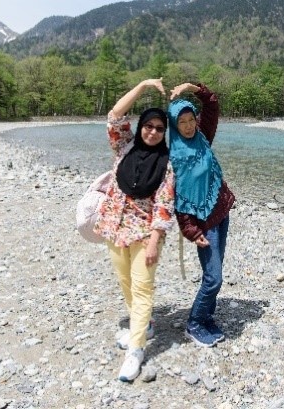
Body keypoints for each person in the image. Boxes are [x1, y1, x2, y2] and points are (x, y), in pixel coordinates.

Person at [92, 78, 175, 382]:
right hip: (114, 228)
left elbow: (164, 205)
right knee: (125, 282)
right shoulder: (124, 147)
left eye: (159, 128)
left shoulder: (166, 164)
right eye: (148, 126)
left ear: (165, 133)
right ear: (141, 127)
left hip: (145, 234)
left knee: (142, 288)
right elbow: (115, 115)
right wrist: (143, 86)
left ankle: (136, 350)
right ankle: (146, 324)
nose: (153, 132)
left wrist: (154, 242)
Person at [167, 82, 236, 347]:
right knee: (213, 277)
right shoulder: (174, 158)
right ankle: (194, 323)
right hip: (202, 223)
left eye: (190, 119)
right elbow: (179, 200)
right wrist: (192, 231)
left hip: (221, 211)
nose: (188, 126)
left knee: (215, 271)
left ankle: (207, 317)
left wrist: (191, 87)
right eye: (181, 122)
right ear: (174, 125)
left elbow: (212, 104)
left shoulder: (203, 136)